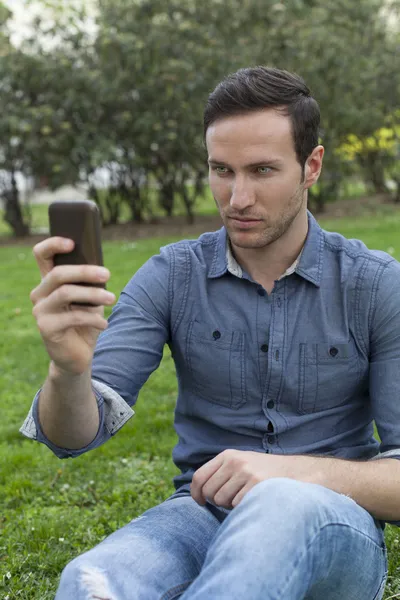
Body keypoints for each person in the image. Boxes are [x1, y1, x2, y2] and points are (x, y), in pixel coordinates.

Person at [20, 66, 399, 600]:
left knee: (281, 505)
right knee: (88, 583)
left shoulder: (377, 285)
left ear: (311, 166)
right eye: (221, 170)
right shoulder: (171, 275)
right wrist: (68, 369)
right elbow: (72, 436)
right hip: (199, 516)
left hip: (333, 525)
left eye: (262, 170)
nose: (237, 198)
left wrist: (288, 473)